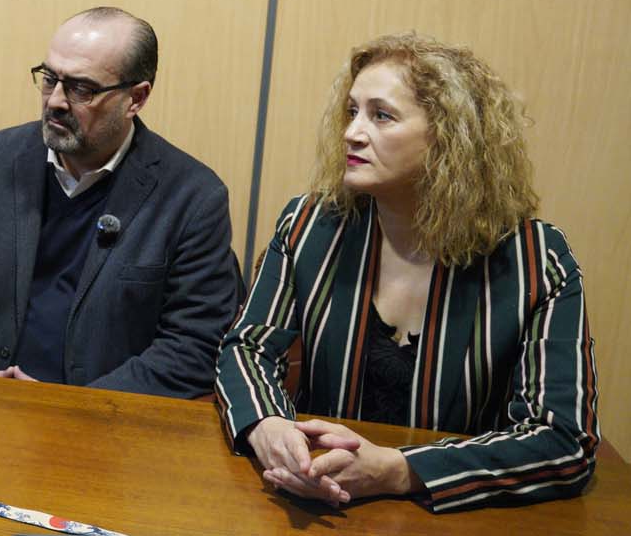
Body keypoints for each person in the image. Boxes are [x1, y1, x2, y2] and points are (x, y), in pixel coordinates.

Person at [215, 33, 599, 512]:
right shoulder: (311, 224)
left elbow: (563, 437)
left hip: (452, 512)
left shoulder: (534, 257)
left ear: (449, 139)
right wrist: (268, 426)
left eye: (381, 115)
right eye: (351, 111)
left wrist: (398, 471)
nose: (353, 132)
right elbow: (248, 347)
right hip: (315, 499)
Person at [0, 7, 244, 396]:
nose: (54, 101)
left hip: (105, 432)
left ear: (136, 98)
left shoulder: (192, 197)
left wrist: (73, 408)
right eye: (49, 78)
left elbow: (193, 346)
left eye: (81, 89)